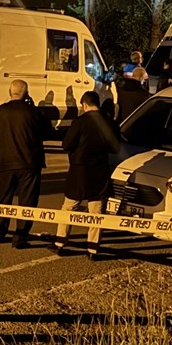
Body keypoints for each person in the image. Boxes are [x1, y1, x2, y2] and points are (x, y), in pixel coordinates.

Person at [54, 91, 121, 259]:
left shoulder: (79, 122)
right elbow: (116, 147)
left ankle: (60, 243)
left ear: (84, 104)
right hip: (100, 170)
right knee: (96, 212)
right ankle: (93, 248)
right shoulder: (110, 123)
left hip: (79, 170)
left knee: (69, 207)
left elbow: (66, 144)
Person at [0, 79, 53, 247]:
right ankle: (20, 236)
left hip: (5, 162)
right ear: (26, 93)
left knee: (3, 198)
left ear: (10, 92)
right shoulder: (34, 112)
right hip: (29, 163)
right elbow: (47, 132)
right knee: (27, 201)